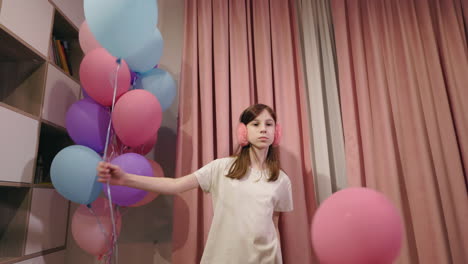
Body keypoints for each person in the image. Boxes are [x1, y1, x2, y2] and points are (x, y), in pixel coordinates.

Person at [97, 103, 293, 264]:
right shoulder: (222, 168)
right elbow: (175, 185)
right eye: (255, 124)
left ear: (276, 132)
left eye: (269, 124)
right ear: (243, 132)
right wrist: (125, 178)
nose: (263, 129)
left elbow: (273, 225)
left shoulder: (281, 180)